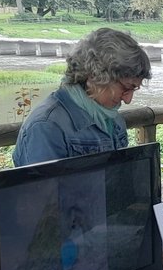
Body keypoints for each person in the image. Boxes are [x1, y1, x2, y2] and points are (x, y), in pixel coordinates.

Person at [13, 27, 151, 166]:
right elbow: (43, 188)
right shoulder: (45, 127)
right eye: (126, 88)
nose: (128, 100)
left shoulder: (113, 119)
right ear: (95, 76)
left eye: (135, 89)